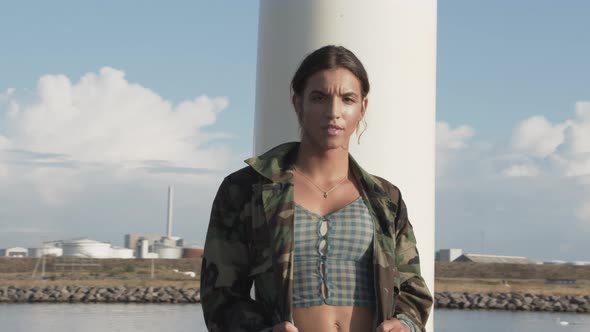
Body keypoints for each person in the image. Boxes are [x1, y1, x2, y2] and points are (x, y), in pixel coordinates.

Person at [200, 45, 432, 332]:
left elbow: (412, 287)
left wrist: (405, 324)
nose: (334, 112)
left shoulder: (385, 198)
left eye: (347, 99)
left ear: (363, 107)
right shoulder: (247, 189)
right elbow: (220, 295)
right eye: (319, 98)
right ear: (298, 103)